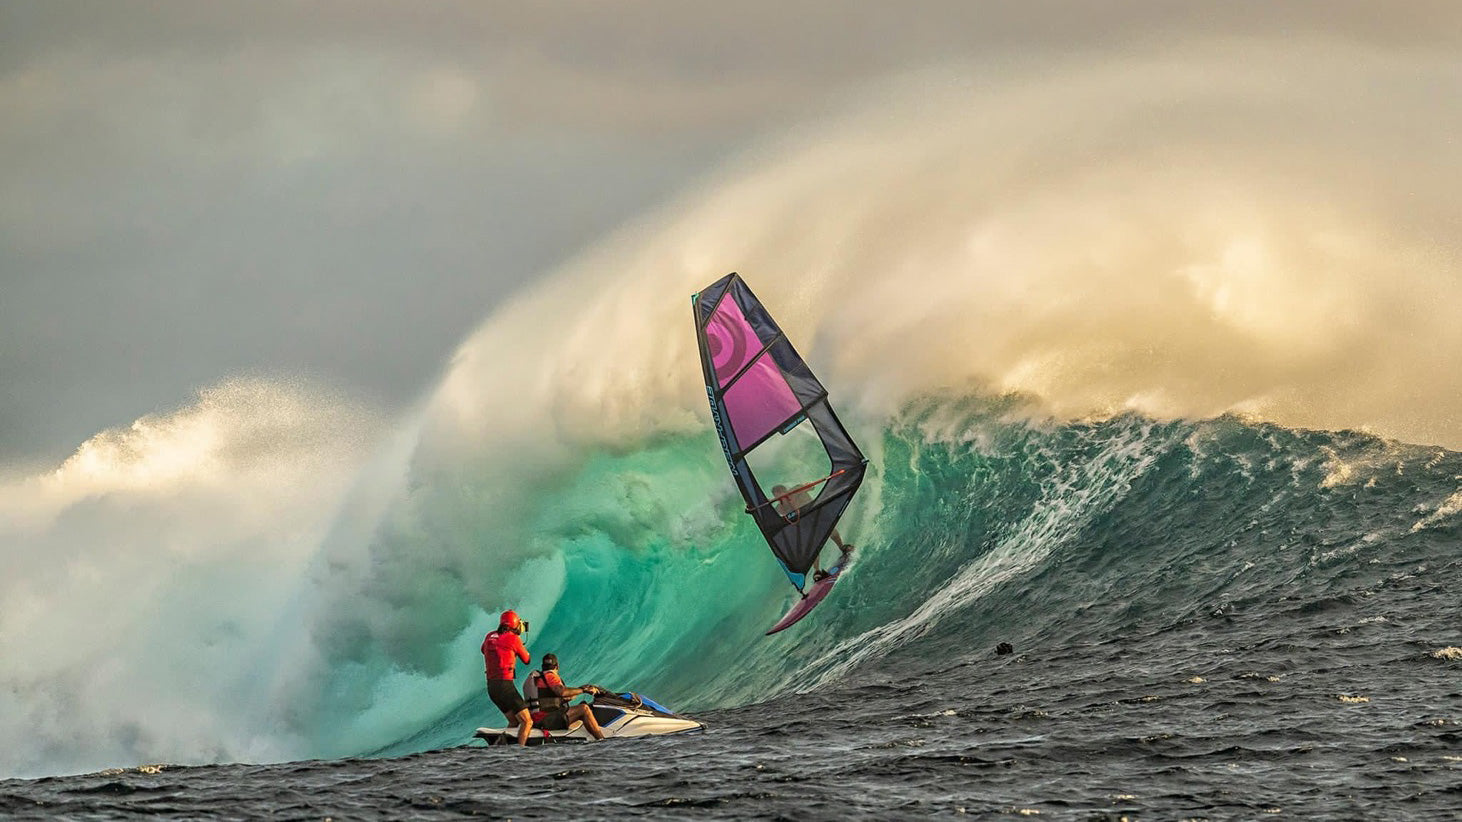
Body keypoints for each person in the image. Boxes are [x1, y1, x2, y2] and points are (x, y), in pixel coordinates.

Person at [770, 483, 854, 580]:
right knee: (812, 545)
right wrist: (768, 504)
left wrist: (806, 487)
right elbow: (772, 515)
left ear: (784, 490)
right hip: (804, 523)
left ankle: (842, 547)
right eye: (776, 495)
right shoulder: (780, 507)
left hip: (816, 514)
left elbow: (812, 487)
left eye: (779, 492)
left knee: (831, 531)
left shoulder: (797, 489)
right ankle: (817, 570)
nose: (779, 496)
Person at [523, 653, 607, 741]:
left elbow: (559, 699)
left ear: (542, 666)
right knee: (584, 709)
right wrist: (584, 690)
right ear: (557, 667)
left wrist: (579, 690)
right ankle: (601, 740)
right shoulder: (550, 676)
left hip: (537, 720)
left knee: (580, 707)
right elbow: (562, 692)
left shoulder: (537, 678)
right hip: (546, 720)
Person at [481, 609, 533, 746]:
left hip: (492, 687)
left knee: (514, 721)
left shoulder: (489, 636)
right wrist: (516, 644)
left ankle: (501, 746)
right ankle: (520, 750)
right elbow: (527, 660)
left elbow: (483, 650)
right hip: (505, 686)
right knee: (527, 721)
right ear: (515, 624)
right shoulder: (513, 639)